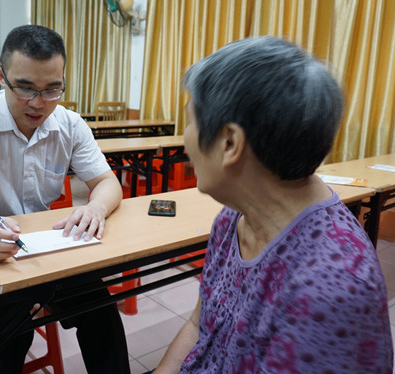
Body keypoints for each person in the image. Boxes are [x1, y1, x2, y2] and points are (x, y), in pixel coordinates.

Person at [154, 36, 393, 373]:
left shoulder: (332, 286)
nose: (185, 138)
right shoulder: (233, 218)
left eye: (191, 120)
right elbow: (198, 325)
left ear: (229, 143)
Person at [0, 24, 130, 373]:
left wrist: (96, 206)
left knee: (102, 315)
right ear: (1, 76)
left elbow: (108, 182)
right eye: (25, 88)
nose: (38, 103)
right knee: (8, 338)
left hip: (46, 253)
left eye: (52, 89)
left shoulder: (68, 124)